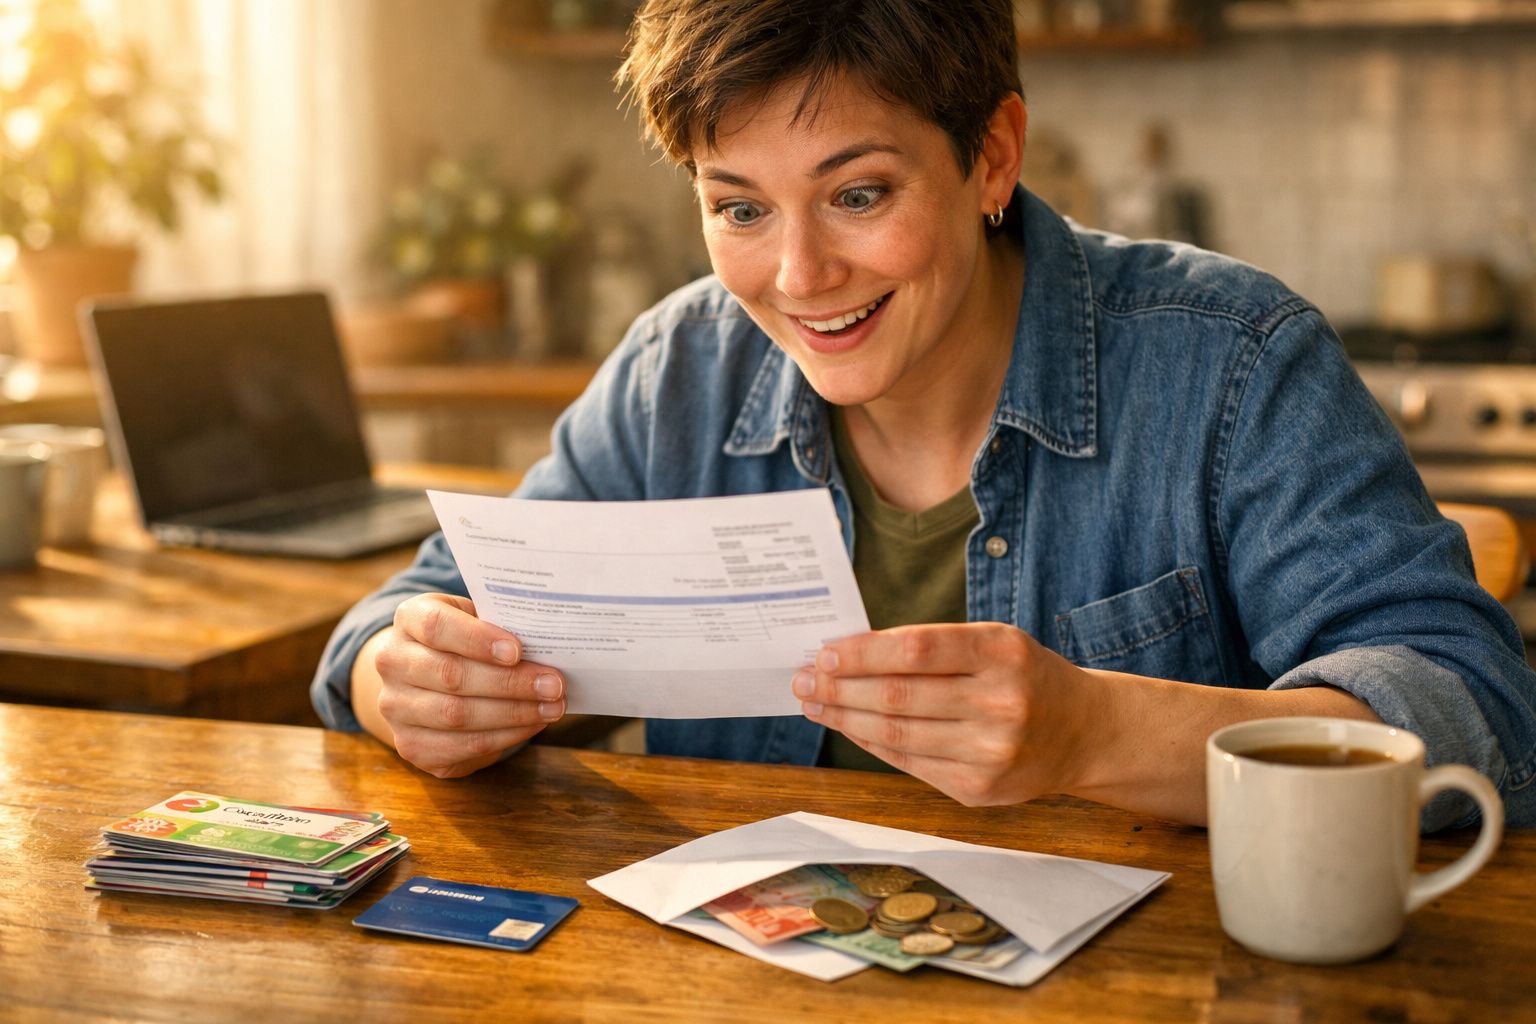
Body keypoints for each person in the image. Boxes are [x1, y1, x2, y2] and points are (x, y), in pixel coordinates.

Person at [312, 0, 1536, 832]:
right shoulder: (677, 372)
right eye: (739, 208)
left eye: (857, 194)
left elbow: (1479, 714)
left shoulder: (1232, 362)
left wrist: (1096, 731)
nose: (799, 276)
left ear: (994, 155)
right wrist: (405, 679)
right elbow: (406, 616)